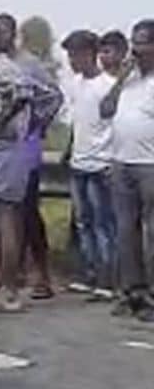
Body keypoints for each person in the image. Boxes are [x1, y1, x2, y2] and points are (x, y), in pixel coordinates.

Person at [0, 19, 60, 311]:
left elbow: (28, 93)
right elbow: (44, 95)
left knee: (7, 221)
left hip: (3, 152)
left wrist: (3, 124)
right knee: (6, 220)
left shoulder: (1, 67)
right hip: (2, 150)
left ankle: (10, 292)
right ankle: (9, 289)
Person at [100, 19, 154, 321]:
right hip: (122, 162)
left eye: (144, 43)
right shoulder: (129, 82)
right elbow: (105, 110)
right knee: (125, 232)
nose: (137, 49)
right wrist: (121, 79)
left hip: (150, 166)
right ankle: (131, 292)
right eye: (135, 42)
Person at [61, 30, 117, 298]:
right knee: (83, 223)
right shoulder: (75, 84)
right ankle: (89, 272)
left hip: (101, 164)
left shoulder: (107, 85)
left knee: (102, 223)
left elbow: (115, 126)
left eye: (75, 55)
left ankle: (107, 278)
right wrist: (69, 149)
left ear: (89, 54)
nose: (72, 61)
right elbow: (77, 121)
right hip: (79, 162)